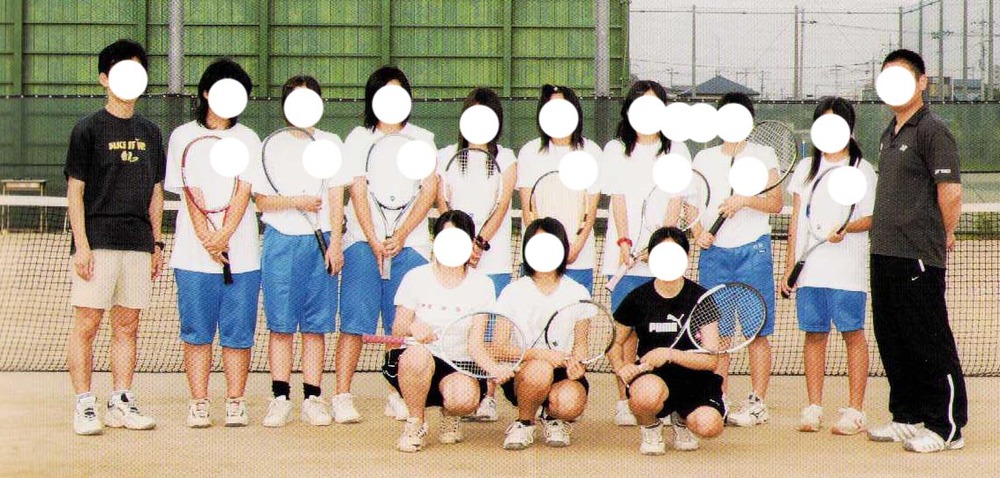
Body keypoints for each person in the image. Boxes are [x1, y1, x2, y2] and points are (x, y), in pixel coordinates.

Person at [866, 49, 966, 453]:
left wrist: (945, 233)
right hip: (884, 252)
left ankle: (946, 427)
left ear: (922, 82)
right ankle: (906, 417)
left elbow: (951, 191)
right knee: (894, 339)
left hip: (918, 254)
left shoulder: (932, 130)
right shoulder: (888, 133)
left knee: (928, 340)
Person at [65, 39, 165, 435]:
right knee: (87, 324)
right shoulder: (87, 129)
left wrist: (156, 243)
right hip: (98, 241)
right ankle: (84, 404)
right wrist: (82, 245)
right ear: (104, 78)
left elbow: (156, 192)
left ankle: (121, 402)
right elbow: (76, 191)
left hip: (137, 243)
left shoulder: (151, 132)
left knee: (128, 326)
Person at [335, 66, 438, 423]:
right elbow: (357, 190)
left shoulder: (422, 139)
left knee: (403, 326)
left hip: (410, 247)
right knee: (354, 323)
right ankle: (342, 395)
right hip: (362, 244)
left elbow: (428, 190)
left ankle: (398, 393)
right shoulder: (358, 139)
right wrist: (373, 238)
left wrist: (402, 235)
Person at [165, 59, 261, 428]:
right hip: (193, 255)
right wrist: (207, 238)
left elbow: (244, 190)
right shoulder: (182, 136)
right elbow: (190, 191)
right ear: (206, 93)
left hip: (243, 255)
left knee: (238, 334)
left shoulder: (248, 138)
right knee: (196, 332)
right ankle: (199, 402)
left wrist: (224, 234)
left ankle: (235, 401)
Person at [249, 76, 350, 427]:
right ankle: (280, 398)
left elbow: (336, 197)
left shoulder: (331, 143)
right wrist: (297, 201)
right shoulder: (270, 145)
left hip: (320, 243)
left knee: (315, 327)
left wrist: (335, 244)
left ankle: (313, 398)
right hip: (281, 242)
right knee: (280, 327)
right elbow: (261, 201)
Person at [780, 97, 875, 435]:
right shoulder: (806, 168)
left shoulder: (861, 168)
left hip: (848, 271)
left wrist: (846, 228)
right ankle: (814, 407)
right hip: (811, 270)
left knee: (853, 335)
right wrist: (789, 266)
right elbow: (796, 221)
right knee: (814, 335)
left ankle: (855, 411)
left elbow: (871, 217)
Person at [602, 80, 692, 427]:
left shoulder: (676, 150)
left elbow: (675, 201)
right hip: (623, 257)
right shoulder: (616, 150)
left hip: (662, 259)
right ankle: (624, 400)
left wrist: (659, 246)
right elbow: (618, 198)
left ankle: (661, 400)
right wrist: (625, 243)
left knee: (661, 332)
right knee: (623, 334)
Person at [692, 92, 781, 427]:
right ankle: (719, 397)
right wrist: (699, 232)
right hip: (714, 254)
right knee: (717, 334)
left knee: (757, 331)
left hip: (752, 252)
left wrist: (744, 200)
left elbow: (775, 203)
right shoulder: (703, 158)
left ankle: (758, 402)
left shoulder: (763, 154)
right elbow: (691, 204)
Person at [382, 210, 496, 452]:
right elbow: (398, 327)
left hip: (459, 364)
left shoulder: (483, 285)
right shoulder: (416, 277)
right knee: (416, 356)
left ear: (470, 244)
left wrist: (495, 369)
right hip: (421, 360)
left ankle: (451, 414)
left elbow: (476, 343)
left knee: (464, 400)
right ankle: (415, 422)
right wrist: (413, 326)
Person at [435, 87, 517, 422]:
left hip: (493, 259)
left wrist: (479, 243)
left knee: (491, 331)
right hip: (454, 262)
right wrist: (458, 246)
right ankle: (457, 393)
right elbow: (443, 205)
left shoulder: (507, 158)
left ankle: (489, 397)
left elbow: (502, 204)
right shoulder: (446, 157)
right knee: (459, 327)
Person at [609, 227, 725, 455]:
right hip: (652, 378)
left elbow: (711, 360)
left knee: (710, 426)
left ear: (686, 257)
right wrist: (621, 367)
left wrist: (670, 354)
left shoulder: (701, 298)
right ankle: (651, 427)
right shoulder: (637, 298)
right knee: (644, 398)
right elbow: (614, 343)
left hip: (694, 380)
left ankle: (683, 419)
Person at [494, 218, 592, 450]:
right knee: (539, 369)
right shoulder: (512, 292)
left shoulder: (578, 292)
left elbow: (581, 345)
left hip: (562, 370)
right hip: (524, 372)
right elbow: (498, 348)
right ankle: (524, 422)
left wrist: (578, 364)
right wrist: (542, 355)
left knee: (569, 404)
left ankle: (553, 418)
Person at [516, 85, 603, 293]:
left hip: (578, 260)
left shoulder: (591, 151)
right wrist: (544, 250)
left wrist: (575, 248)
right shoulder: (529, 152)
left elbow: (590, 210)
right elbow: (529, 210)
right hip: (536, 260)